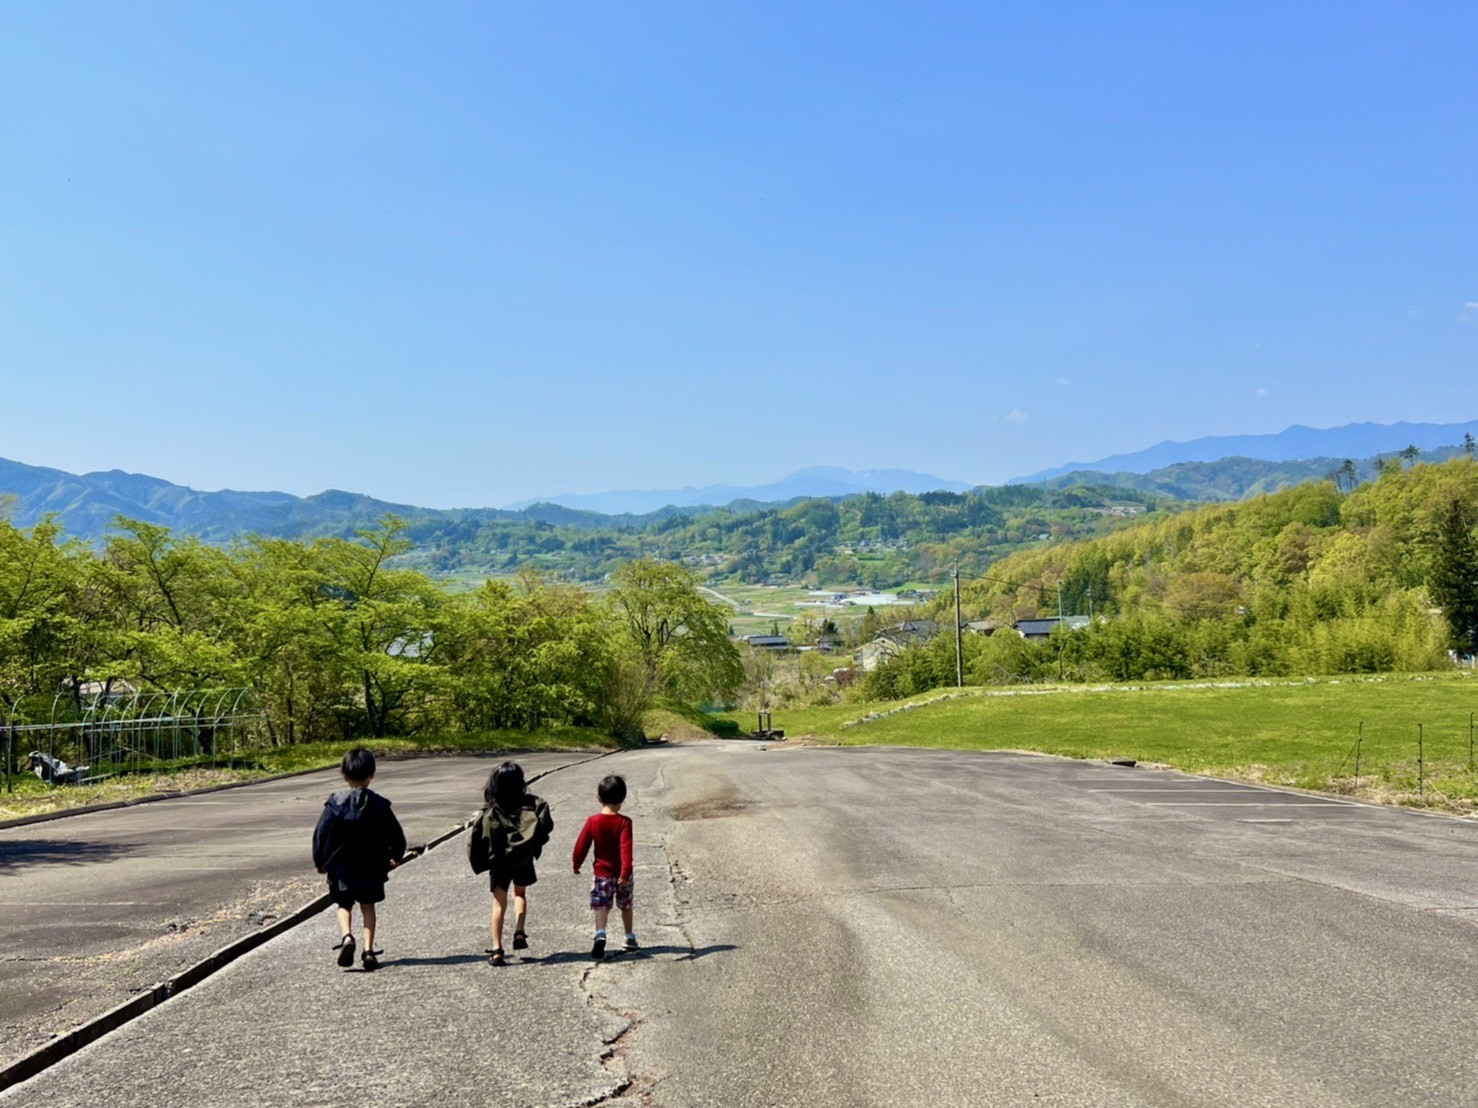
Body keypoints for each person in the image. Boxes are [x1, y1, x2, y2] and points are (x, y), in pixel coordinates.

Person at [312, 747, 406, 972]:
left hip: (341, 866)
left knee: (343, 904)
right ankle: (368, 950)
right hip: (372, 865)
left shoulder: (335, 803)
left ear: (344, 775)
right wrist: (396, 855)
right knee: (368, 906)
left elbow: (321, 833)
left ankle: (347, 936)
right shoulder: (380, 804)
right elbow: (395, 833)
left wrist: (320, 860)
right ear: (371, 774)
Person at [467, 761, 554, 966]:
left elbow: (478, 840)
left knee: (499, 903)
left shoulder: (492, 810)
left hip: (499, 862)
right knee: (520, 894)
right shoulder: (530, 805)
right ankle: (519, 931)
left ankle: (497, 949)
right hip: (523, 858)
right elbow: (546, 825)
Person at [571, 774, 636, 960]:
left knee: (602, 906)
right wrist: (626, 870)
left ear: (599, 799)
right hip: (622, 874)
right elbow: (625, 848)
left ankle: (600, 933)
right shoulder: (624, 822)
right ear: (623, 799)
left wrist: (576, 863)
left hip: (602, 874)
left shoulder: (593, 821)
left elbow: (582, 845)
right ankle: (629, 936)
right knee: (626, 905)